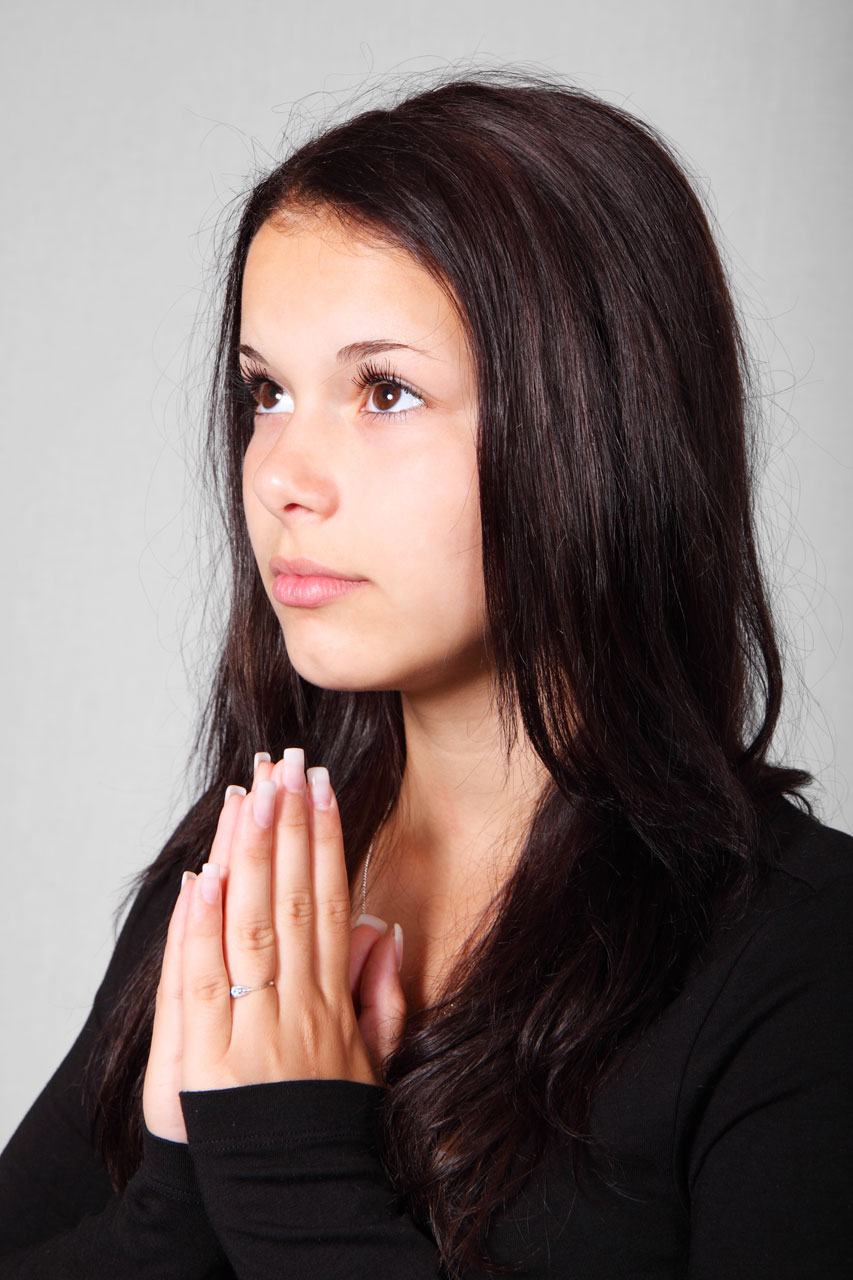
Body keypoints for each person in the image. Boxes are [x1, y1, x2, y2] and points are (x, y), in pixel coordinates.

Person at [1, 69, 851, 1279]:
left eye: (384, 390)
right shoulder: (237, 888)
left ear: (593, 422)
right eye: (266, 391)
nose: (282, 474)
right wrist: (177, 1205)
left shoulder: (800, 963)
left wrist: (292, 1169)